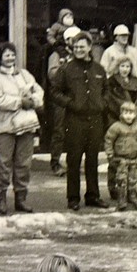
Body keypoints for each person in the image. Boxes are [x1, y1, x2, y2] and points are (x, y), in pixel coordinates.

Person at [54, 30, 109, 210]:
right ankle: (73, 198)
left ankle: (93, 195)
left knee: (93, 159)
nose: (78, 49)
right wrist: (70, 104)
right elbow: (54, 92)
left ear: (89, 47)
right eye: (76, 47)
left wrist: (102, 103)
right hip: (75, 120)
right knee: (74, 159)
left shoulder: (99, 70)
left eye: (82, 46)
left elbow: (106, 91)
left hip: (95, 120)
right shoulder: (66, 69)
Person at [0, 41, 43, 214]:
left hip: (25, 125)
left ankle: (21, 198)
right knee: (3, 164)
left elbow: (38, 90)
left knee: (23, 163)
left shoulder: (24, 74)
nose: (10, 58)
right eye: (6, 55)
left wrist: (34, 100)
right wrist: (21, 102)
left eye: (12, 54)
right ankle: (1, 199)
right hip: (3, 126)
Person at [46, 25, 80, 177]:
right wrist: (66, 69)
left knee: (76, 130)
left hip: (77, 97)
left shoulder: (82, 54)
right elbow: (52, 74)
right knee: (59, 130)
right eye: (74, 39)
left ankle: (73, 163)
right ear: (67, 40)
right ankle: (55, 162)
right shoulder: (56, 54)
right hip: (62, 97)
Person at [104, 100, 137, 211]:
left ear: (135, 114)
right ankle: (122, 199)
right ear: (121, 114)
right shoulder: (116, 127)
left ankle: (132, 197)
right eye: (126, 113)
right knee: (122, 180)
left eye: (131, 113)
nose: (129, 116)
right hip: (121, 159)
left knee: (133, 180)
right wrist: (110, 154)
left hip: (134, 158)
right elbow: (109, 140)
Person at [105, 54, 137, 133]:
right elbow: (110, 100)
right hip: (116, 118)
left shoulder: (136, 82)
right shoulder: (111, 82)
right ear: (117, 67)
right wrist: (125, 112)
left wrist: (135, 115)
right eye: (122, 66)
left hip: (134, 118)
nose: (125, 69)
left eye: (127, 66)